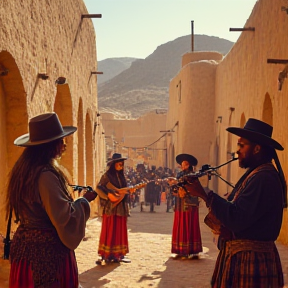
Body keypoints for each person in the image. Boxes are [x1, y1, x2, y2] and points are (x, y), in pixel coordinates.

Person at [183, 118, 285, 287]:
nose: (237, 151)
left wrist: (205, 194)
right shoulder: (257, 174)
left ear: (257, 148)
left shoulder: (264, 177)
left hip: (252, 262)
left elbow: (237, 218)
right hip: (243, 258)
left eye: (241, 145)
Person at [6, 112, 97, 288]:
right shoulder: (45, 175)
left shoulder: (23, 171)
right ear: (50, 145)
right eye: (60, 141)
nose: (64, 145)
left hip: (25, 253)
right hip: (47, 257)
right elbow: (63, 218)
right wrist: (84, 202)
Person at [95, 153, 132, 264]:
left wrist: (128, 192)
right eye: (119, 164)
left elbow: (123, 191)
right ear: (113, 164)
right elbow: (99, 188)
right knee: (109, 230)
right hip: (110, 208)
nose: (121, 166)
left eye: (122, 164)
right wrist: (109, 196)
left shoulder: (122, 177)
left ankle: (119, 254)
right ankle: (106, 254)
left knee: (119, 230)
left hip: (121, 208)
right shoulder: (107, 176)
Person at [169, 153, 203, 259]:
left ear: (189, 165)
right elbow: (174, 190)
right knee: (180, 225)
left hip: (190, 204)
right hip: (179, 204)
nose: (183, 166)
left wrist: (180, 184)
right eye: (182, 164)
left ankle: (190, 250)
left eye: (186, 164)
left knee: (189, 225)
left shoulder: (193, 176)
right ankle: (180, 250)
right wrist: (173, 185)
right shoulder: (179, 175)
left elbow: (193, 189)